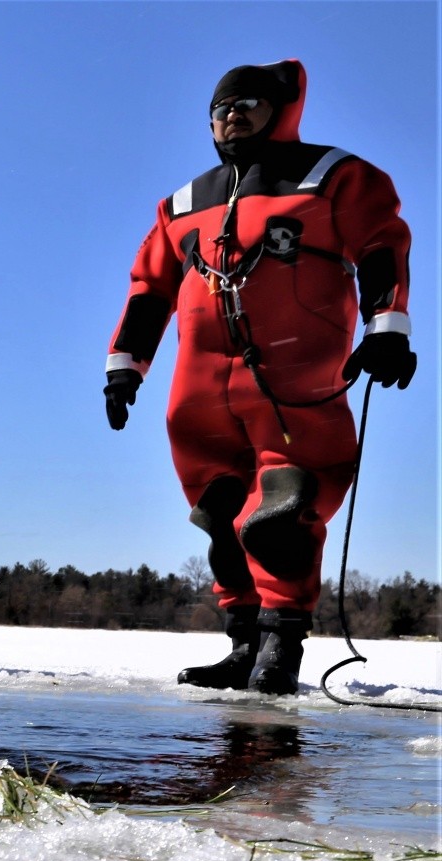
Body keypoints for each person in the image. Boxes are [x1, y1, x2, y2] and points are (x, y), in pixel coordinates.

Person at [103, 59, 415, 694]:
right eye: (220, 109)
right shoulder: (181, 203)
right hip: (199, 391)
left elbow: (381, 245)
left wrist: (387, 328)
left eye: (247, 104)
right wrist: (125, 367)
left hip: (295, 378)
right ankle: (243, 644)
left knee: (282, 512)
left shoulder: (336, 176)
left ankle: (281, 645)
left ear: (281, 109)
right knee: (218, 516)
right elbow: (148, 290)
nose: (232, 116)